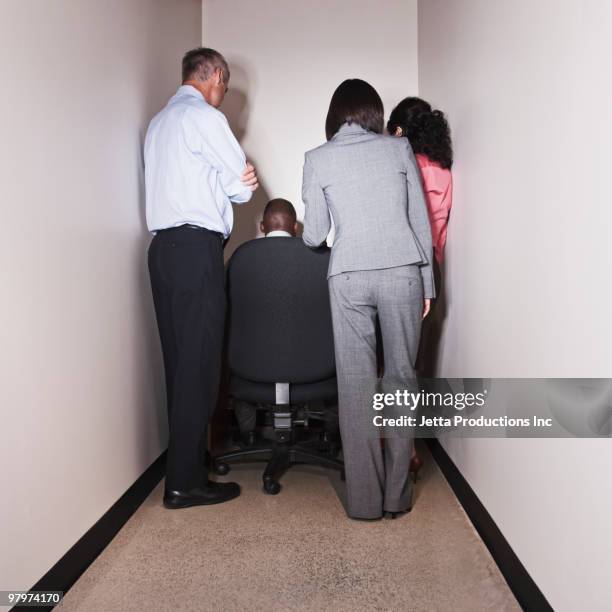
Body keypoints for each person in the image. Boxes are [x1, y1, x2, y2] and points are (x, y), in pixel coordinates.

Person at [301, 79, 434, 520]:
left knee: (356, 389)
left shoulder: (317, 159)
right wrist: (428, 285)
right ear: (375, 114)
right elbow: (420, 220)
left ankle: (364, 503)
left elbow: (316, 234)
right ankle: (397, 498)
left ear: (333, 116)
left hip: (349, 275)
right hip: (402, 271)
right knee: (400, 378)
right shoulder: (398, 150)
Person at [145, 47, 259, 510]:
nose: (222, 95)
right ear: (212, 74)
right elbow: (240, 185)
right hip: (196, 250)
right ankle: (185, 484)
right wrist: (238, 177)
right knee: (201, 365)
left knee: (179, 365)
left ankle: (188, 465)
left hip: (162, 252)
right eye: (224, 86)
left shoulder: (158, 124)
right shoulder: (205, 119)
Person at [387, 97, 454, 480]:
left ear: (398, 130)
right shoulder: (443, 170)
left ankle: (391, 445)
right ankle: (407, 447)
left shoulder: (401, 166)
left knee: (386, 362)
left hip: (401, 268)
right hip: (432, 268)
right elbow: (438, 231)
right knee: (411, 363)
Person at [233, 198, 298, 442]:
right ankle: (328, 435)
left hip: (253, 367)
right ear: (295, 227)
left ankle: (247, 434)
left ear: (262, 227)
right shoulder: (319, 260)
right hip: (311, 368)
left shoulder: (241, 259)